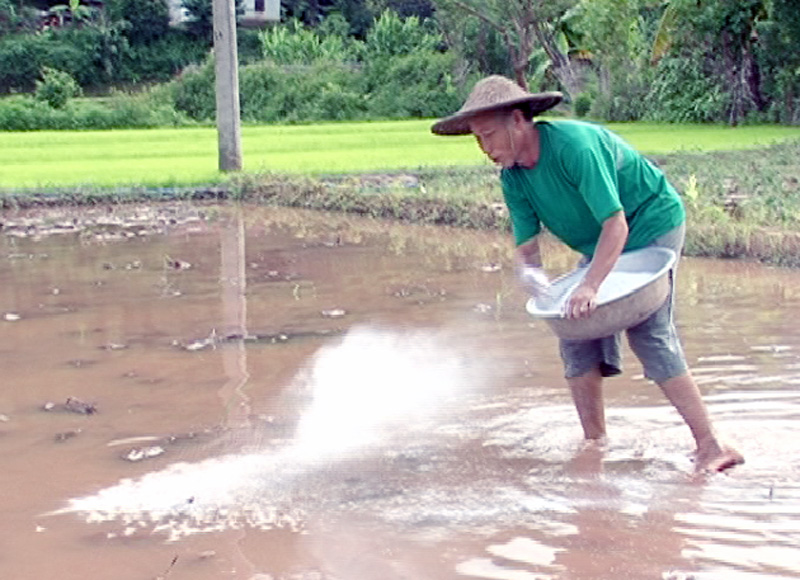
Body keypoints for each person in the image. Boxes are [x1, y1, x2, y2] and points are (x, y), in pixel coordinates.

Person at [431, 75, 743, 474]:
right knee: (573, 332)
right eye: (477, 139)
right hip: (603, 241)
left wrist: (591, 284)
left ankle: (712, 445)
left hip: (648, 224)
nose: (485, 149)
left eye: (489, 135)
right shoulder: (513, 177)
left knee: (648, 332)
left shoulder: (574, 148)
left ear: (518, 120)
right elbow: (527, 250)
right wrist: (536, 285)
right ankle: (595, 443)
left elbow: (617, 224)